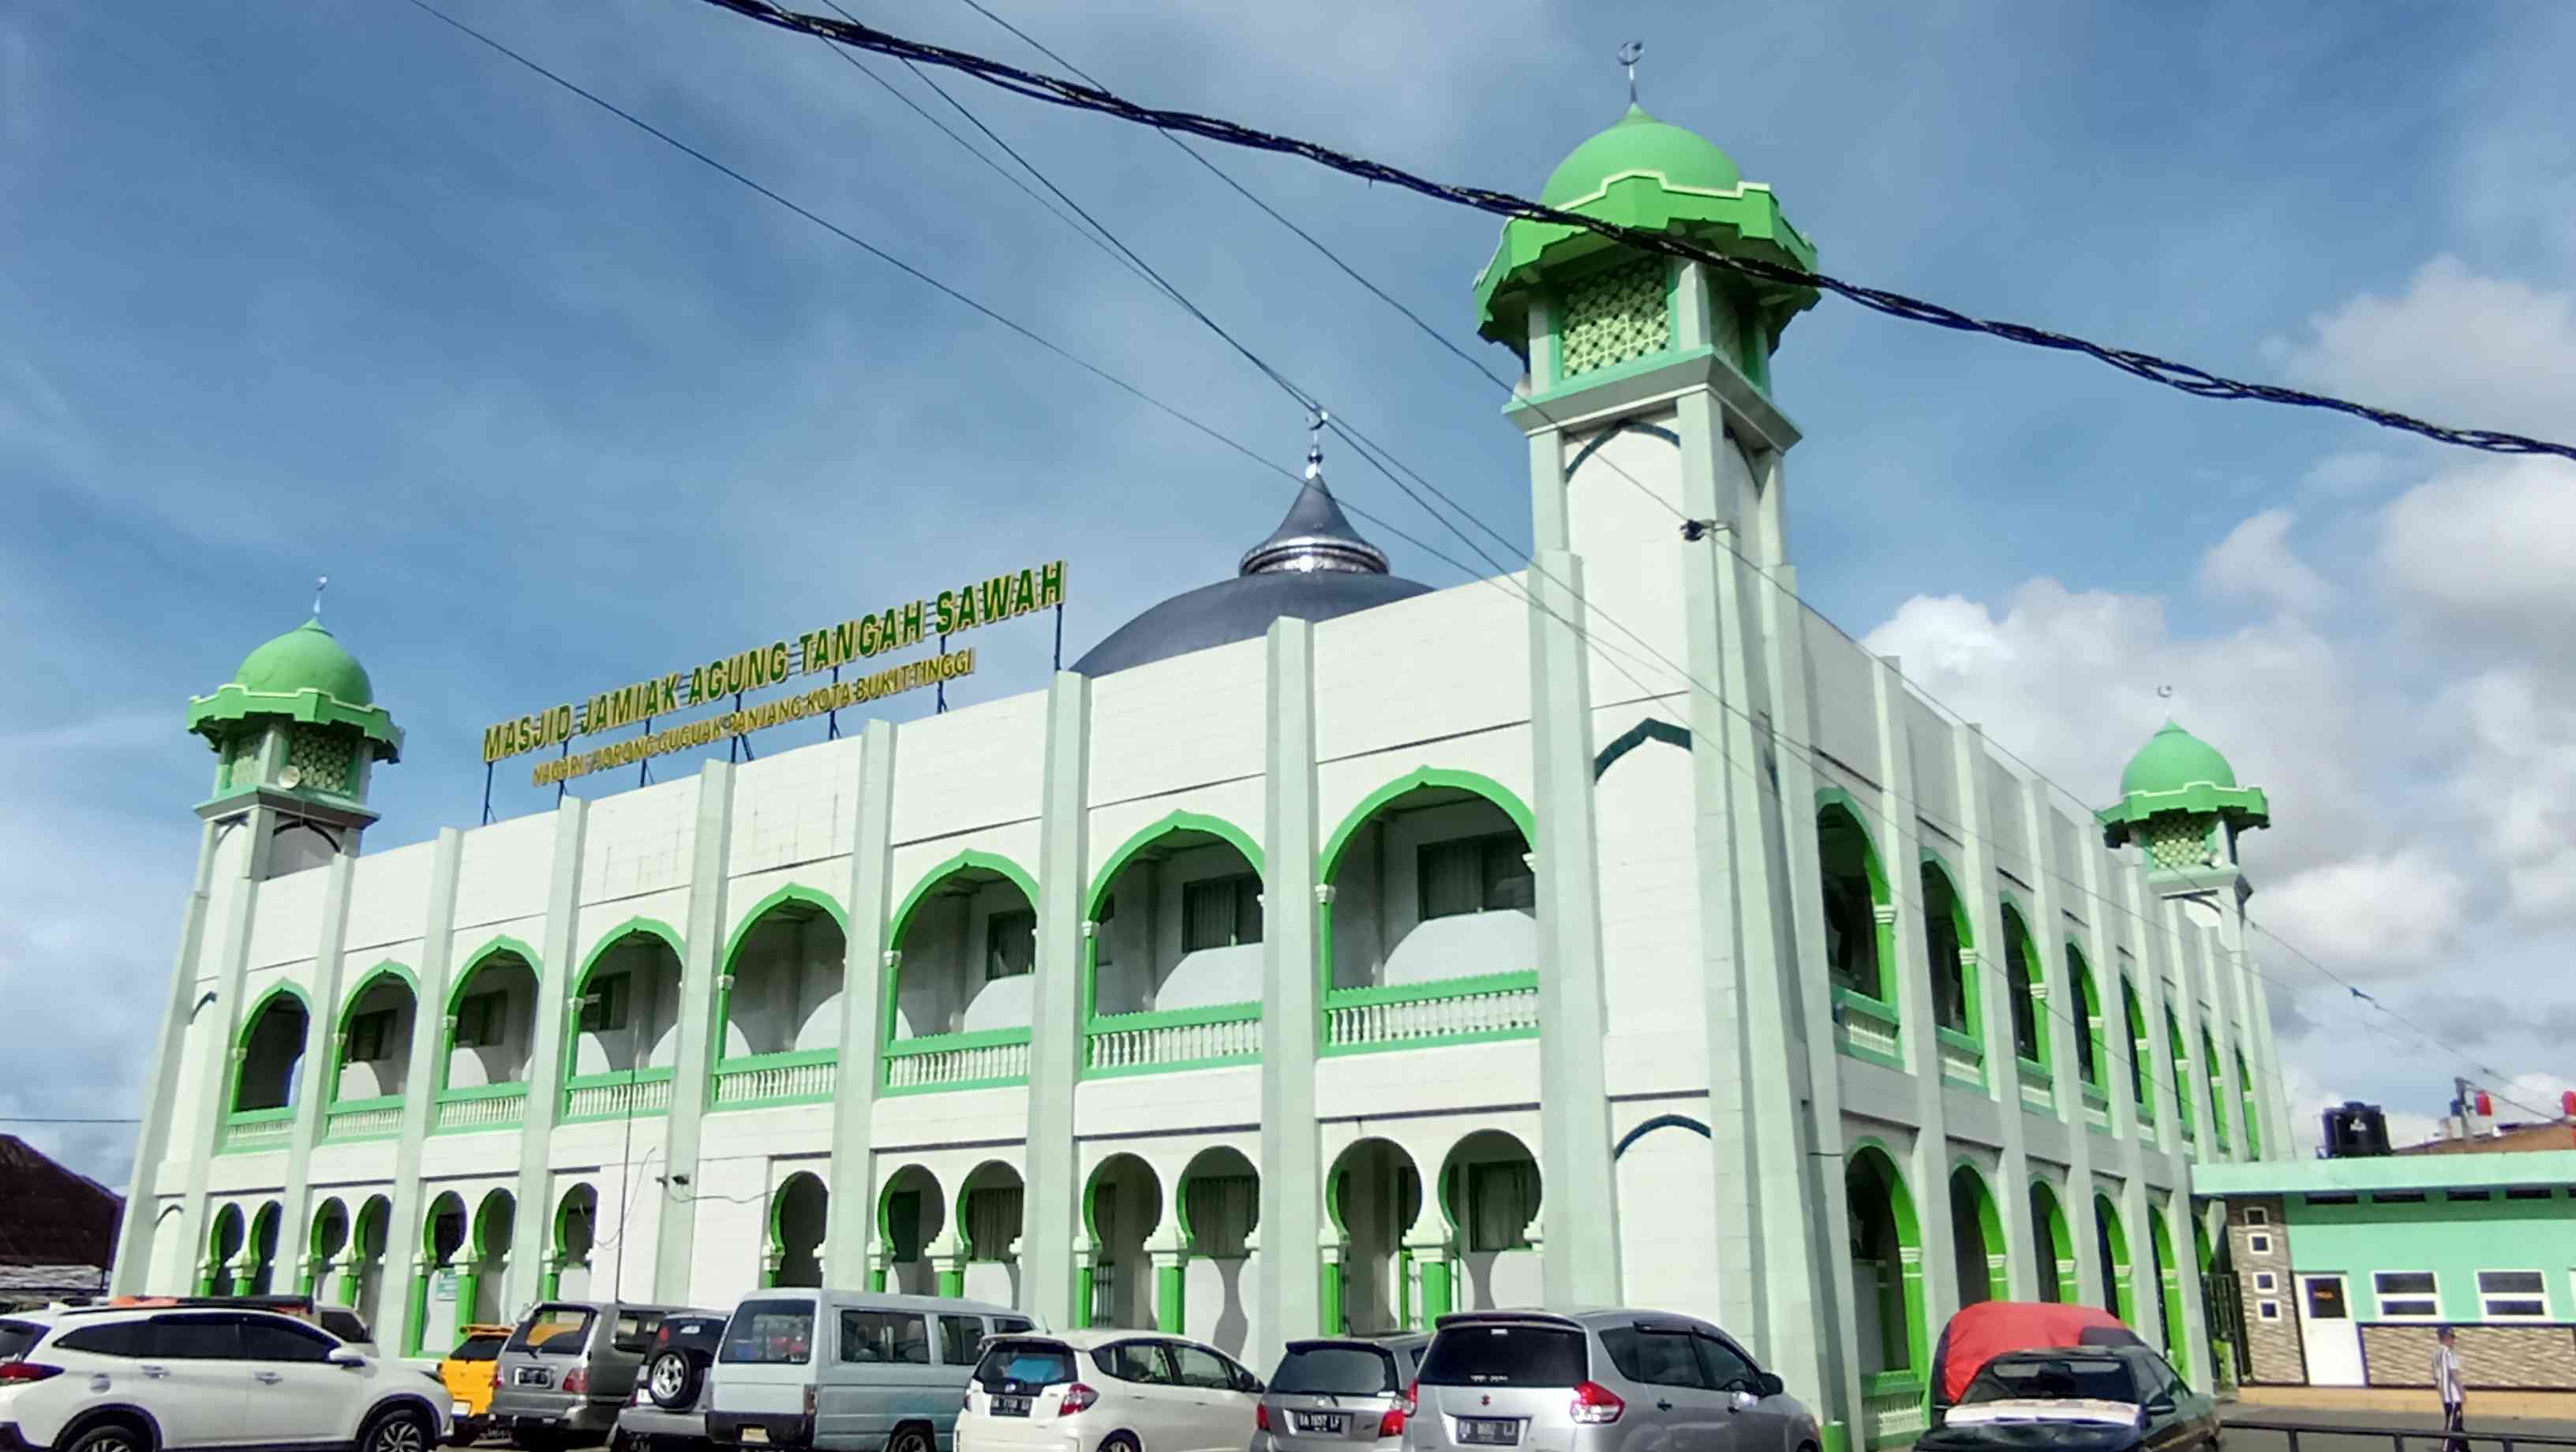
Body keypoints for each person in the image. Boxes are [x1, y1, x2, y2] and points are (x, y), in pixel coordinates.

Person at [2435, 1326, 2466, 1451]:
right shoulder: (2448, 1353)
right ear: (2446, 1338)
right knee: (2452, 1424)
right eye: (2452, 1337)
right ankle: (2447, 1449)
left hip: (2445, 1395)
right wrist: (2461, 1391)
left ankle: (2464, 1448)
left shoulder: (2436, 1353)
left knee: (2457, 1423)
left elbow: (2436, 1377)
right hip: (2452, 1396)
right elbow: (2454, 1373)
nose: (2454, 1341)